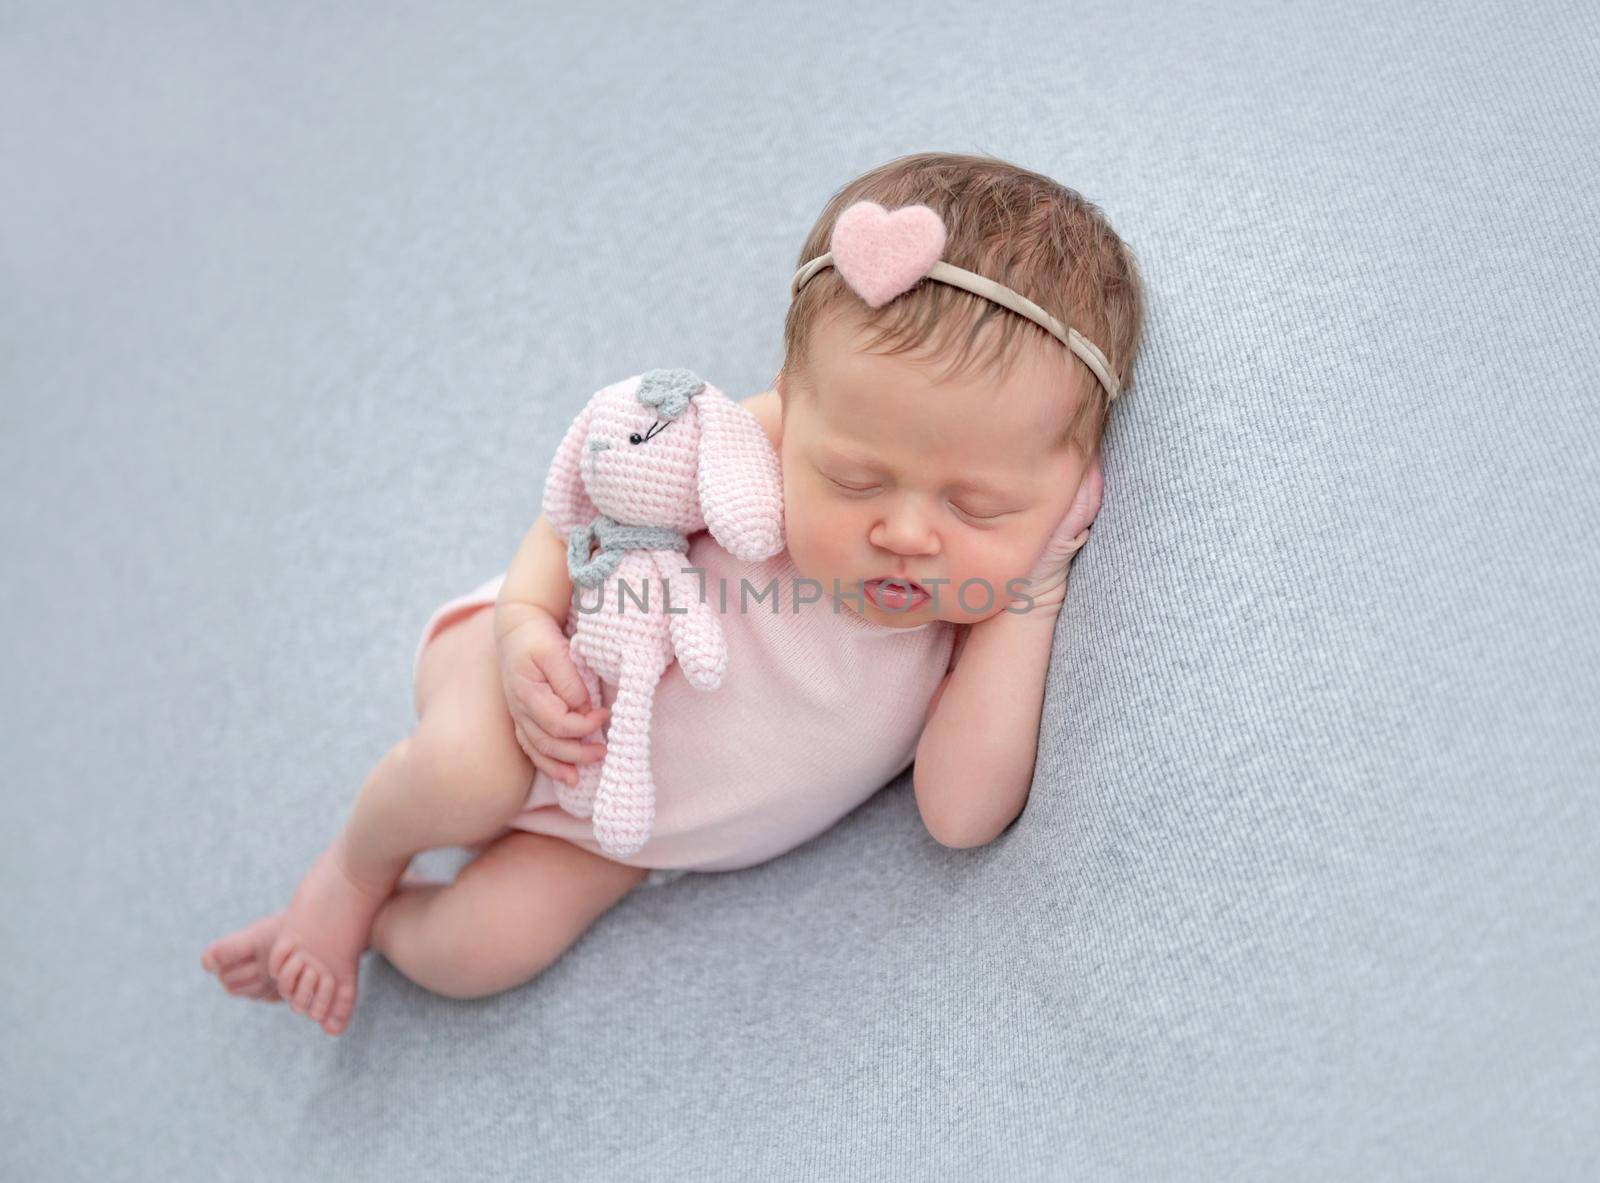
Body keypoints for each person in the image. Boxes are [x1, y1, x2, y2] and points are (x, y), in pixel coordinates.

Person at [200, 150, 1148, 1037]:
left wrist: (1037, 584)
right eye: (854, 480)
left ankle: (383, 928)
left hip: (618, 834)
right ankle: (351, 873)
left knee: (480, 953)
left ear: (1069, 488)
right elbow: (592, 492)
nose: (906, 532)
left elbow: (961, 813)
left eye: (978, 503)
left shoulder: (974, 620)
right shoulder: (745, 443)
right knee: (469, 775)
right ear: (793, 405)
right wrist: (525, 620)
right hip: (542, 675)